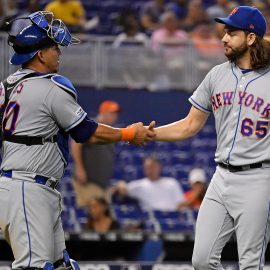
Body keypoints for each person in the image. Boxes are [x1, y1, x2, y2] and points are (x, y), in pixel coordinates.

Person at [0, 11, 154, 270]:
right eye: (54, 48)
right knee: (34, 266)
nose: (59, 53)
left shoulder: (6, 86)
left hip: (28, 187)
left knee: (62, 265)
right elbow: (87, 132)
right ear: (40, 54)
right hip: (27, 189)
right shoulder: (50, 87)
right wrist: (128, 134)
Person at [149, 5, 270, 269]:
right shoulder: (217, 74)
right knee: (202, 260)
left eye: (232, 33)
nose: (224, 38)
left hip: (259, 179)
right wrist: (150, 134)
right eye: (225, 31)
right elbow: (189, 125)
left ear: (251, 38)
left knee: (251, 264)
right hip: (221, 177)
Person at [71, 100, 120, 207]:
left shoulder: (109, 131)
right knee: (92, 218)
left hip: (103, 185)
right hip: (89, 183)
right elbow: (75, 144)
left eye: (116, 114)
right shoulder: (92, 126)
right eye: (112, 113)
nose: (115, 116)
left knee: (104, 219)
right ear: (103, 112)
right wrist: (80, 168)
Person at [112, 156, 185, 211]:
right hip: (149, 220)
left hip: (171, 216)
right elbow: (122, 189)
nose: (150, 170)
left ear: (159, 167)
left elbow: (181, 204)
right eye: (147, 167)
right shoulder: (139, 185)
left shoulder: (172, 183)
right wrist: (120, 184)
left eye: (152, 167)